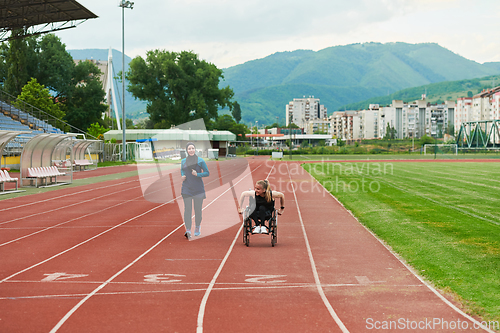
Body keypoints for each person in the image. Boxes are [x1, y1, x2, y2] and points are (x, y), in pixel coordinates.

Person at [181, 142, 210, 238]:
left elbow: (207, 173)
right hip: (186, 188)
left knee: (197, 210)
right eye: (189, 149)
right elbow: (182, 170)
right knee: (187, 210)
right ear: (187, 150)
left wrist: (198, 174)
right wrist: (182, 175)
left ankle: (197, 227)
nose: (191, 150)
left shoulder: (200, 161)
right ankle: (188, 230)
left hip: (198, 189)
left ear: (195, 149)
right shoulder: (183, 161)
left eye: (192, 148)